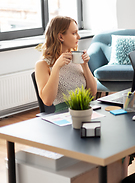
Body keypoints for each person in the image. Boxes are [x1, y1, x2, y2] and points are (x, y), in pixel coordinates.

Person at [35, 16, 129, 181]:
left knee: (119, 139)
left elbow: (92, 93)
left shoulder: (76, 59)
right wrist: (56, 67)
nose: (78, 37)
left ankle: (114, 176)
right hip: (64, 121)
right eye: (74, 33)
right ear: (60, 36)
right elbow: (47, 100)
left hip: (85, 114)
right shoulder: (43, 65)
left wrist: (85, 66)